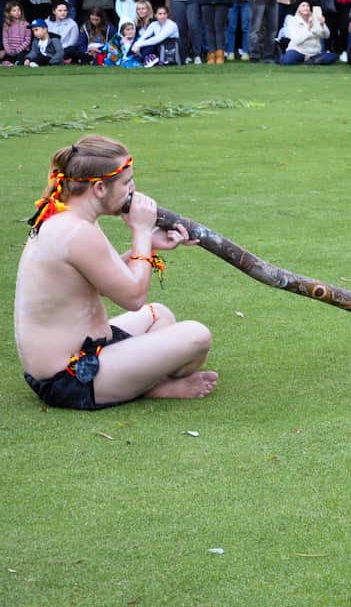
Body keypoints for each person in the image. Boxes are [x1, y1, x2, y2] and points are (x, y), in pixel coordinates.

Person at [16, 135, 215, 410]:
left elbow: (102, 278)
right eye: (126, 183)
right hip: (71, 377)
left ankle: (139, 382)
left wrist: (151, 244)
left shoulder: (69, 219)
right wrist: (141, 232)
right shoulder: (76, 231)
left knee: (160, 314)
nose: (132, 190)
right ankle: (152, 387)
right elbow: (132, 297)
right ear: (99, 188)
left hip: (94, 348)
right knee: (197, 335)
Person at [278, 0, 337, 65]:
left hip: (314, 53)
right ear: (298, 9)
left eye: (307, 6)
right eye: (303, 6)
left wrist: (323, 24)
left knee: (332, 56)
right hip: (298, 51)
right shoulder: (293, 20)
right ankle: (310, 61)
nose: (306, 8)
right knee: (287, 60)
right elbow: (296, 40)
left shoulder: (315, 18)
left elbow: (326, 35)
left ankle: (311, 60)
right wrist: (309, 29)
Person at [3, 0, 31, 64]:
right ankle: (8, 63)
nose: (17, 12)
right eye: (14, 10)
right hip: (10, 51)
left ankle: (18, 63)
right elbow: (5, 39)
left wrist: (17, 50)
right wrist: (8, 51)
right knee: (7, 59)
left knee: (21, 57)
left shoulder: (26, 24)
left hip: (22, 50)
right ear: (9, 12)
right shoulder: (6, 25)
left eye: (18, 10)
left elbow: (27, 40)